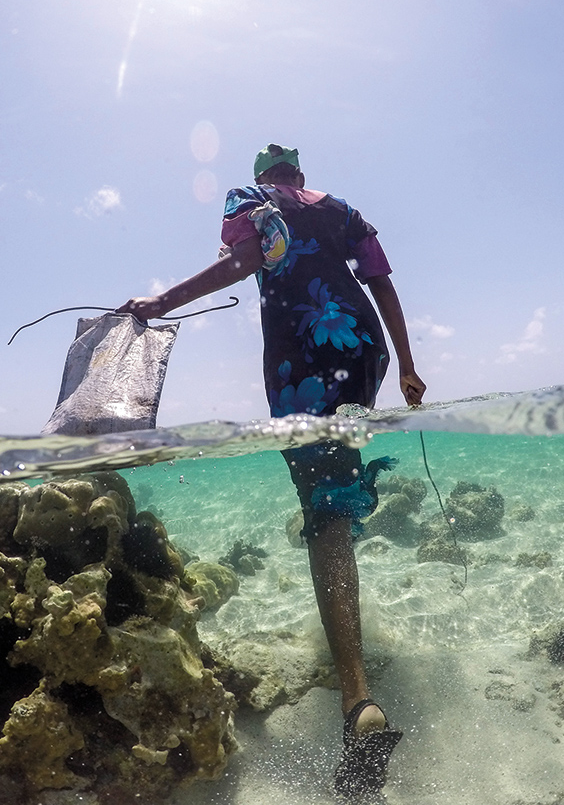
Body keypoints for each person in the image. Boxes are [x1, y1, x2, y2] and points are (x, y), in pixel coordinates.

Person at [117, 143, 425, 797]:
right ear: (301, 177)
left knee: (325, 510)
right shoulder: (341, 209)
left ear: (266, 178)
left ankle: (358, 701)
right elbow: (381, 281)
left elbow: (249, 255)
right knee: (340, 488)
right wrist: (405, 364)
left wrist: (163, 300)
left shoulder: (249, 200)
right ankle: (353, 681)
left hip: (302, 354)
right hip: (361, 343)